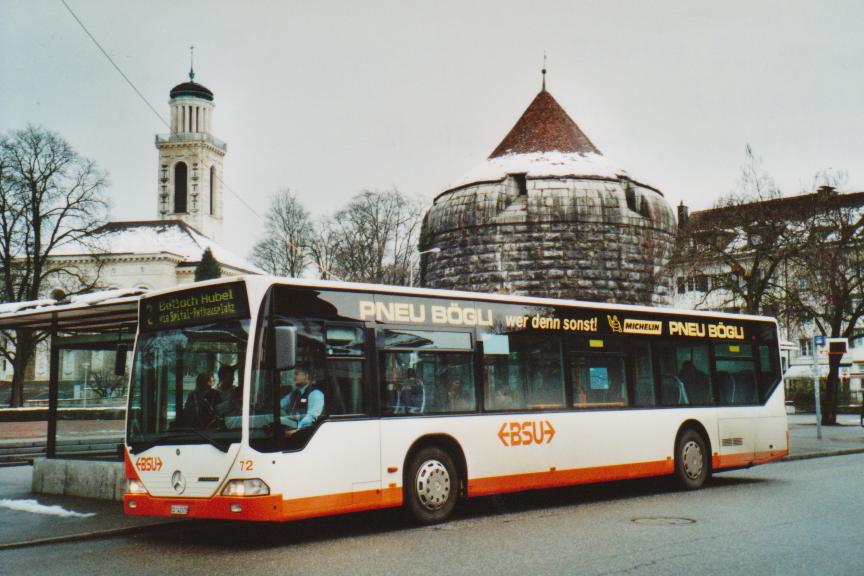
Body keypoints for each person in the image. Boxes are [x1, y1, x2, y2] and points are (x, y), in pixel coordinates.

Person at [279, 364, 324, 429]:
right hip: (292, 422)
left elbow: (312, 416)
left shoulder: (315, 393)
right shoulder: (294, 393)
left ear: (306, 375)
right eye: (293, 374)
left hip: (304, 427)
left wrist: (298, 429)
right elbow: (281, 404)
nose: (293, 377)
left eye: (296, 374)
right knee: (272, 418)